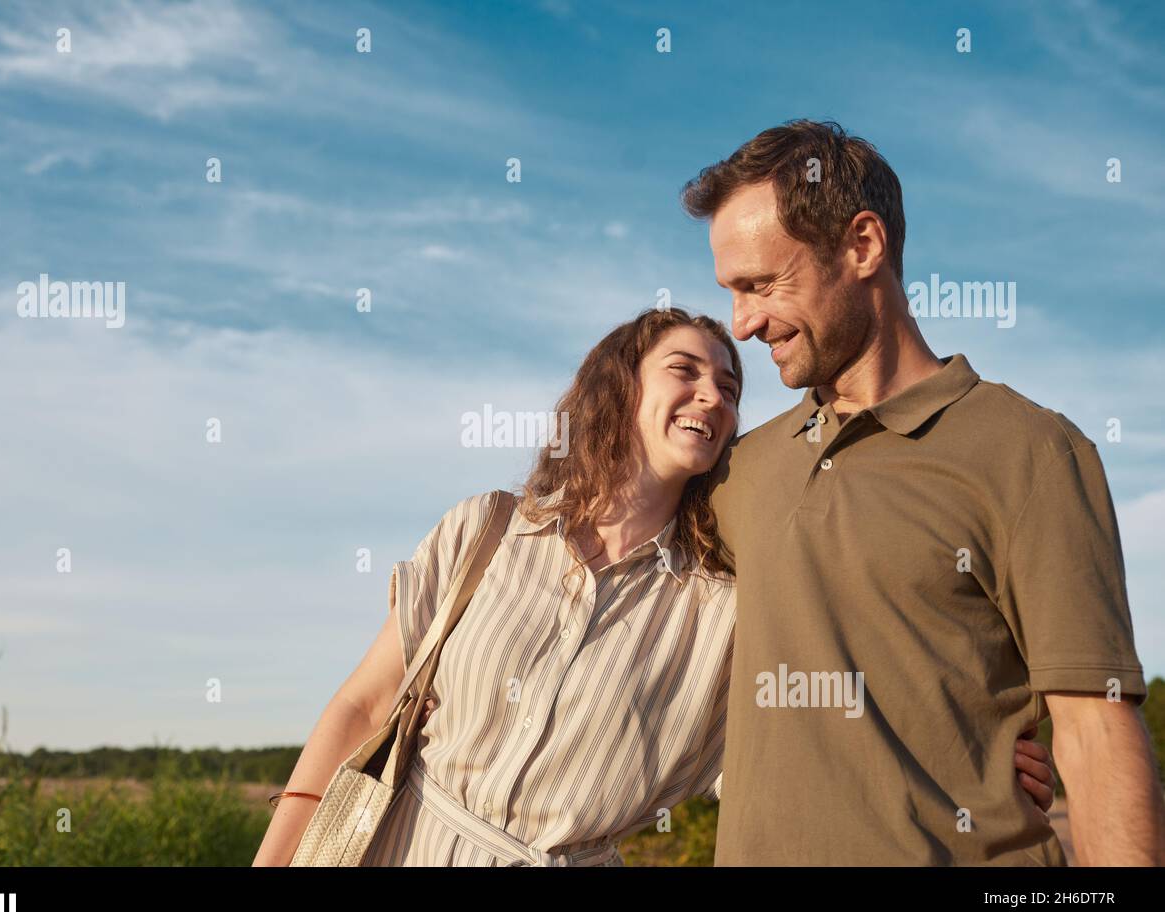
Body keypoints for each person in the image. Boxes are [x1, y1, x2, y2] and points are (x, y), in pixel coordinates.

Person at [252, 306, 1055, 866]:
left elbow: (826, 710)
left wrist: (971, 752)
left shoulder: (724, 609)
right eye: (686, 371)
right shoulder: (486, 531)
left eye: (731, 386)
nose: (712, 394)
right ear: (621, 388)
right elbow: (361, 706)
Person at [683, 119, 1165, 865]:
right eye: (731, 292)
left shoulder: (1031, 451)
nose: (744, 323)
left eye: (762, 284)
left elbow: (1096, 732)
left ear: (863, 246)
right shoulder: (742, 474)